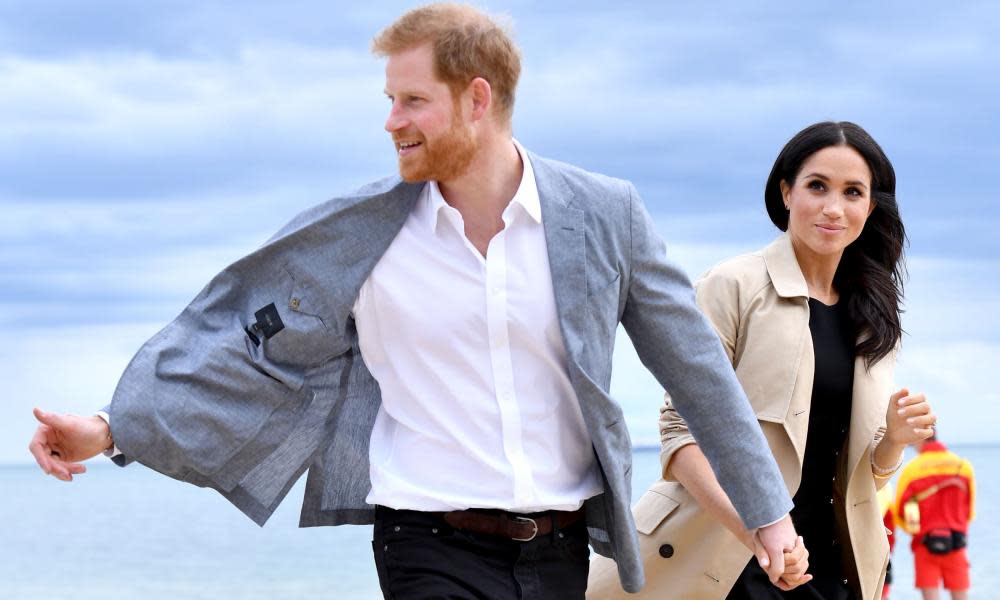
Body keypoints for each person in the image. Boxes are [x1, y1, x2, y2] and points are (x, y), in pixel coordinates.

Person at [25, 4, 801, 598]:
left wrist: (768, 518)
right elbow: (235, 344)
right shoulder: (361, 235)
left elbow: (699, 372)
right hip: (426, 543)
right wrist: (110, 427)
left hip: (561, 549)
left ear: (476, 99)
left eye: (411, 101)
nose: (390, 121)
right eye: (389, 99)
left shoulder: (606, 214)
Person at [588, 121, 937, 600]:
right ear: (786, 192)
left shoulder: (874, 320)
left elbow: (860, 475)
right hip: (717, 555)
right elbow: (678, 433)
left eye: (853, 192)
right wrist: (759, 531)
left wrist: (894, 442)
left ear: (870, 207)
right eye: (817, 186)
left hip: (826, 566)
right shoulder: (733, 285)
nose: (834, 207)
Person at [894, 435, 975, 600]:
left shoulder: (912, 469)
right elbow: (970, 511)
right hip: (956, 543)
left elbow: (900, 511)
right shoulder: (963, 466)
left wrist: (914, 529)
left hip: (925, 544)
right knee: (961, 596)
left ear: (921, 439)